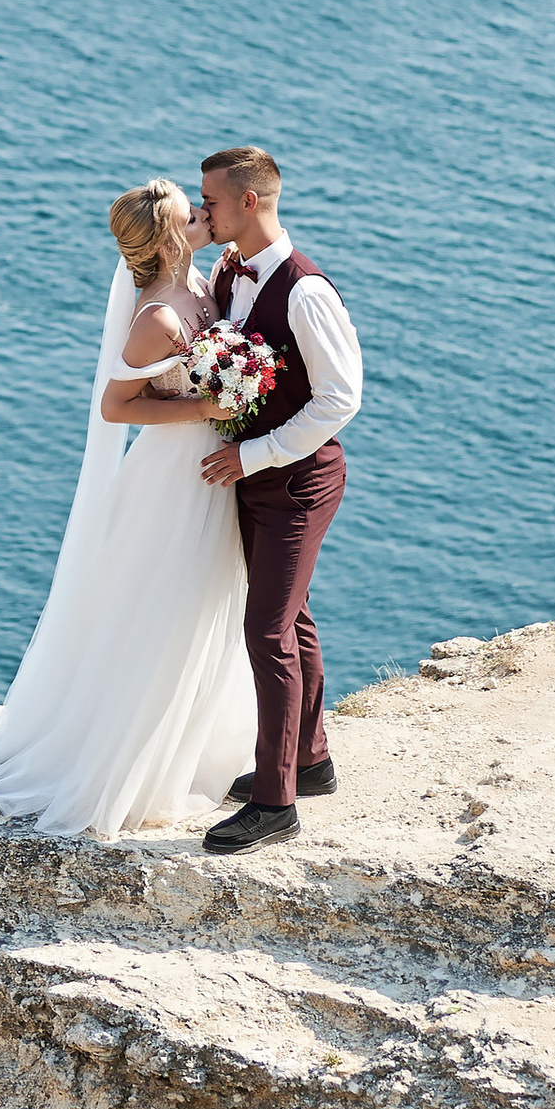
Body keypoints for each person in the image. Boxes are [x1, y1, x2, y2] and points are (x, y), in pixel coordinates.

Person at [0, 180, 255, 837]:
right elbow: (117, 406)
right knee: (162, 612)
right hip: (172, 480)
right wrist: (206, 406)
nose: (204, 216)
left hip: (209, 470)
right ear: (170, 238)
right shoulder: (156, 318)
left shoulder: (201, 285)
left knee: (203, 605)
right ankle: (126, 767)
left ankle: (184, 747)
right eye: (190, 214)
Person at [189, 145, 363, 852]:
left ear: (251, 201)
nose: (205, 212)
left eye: (213, 202)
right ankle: (308, 761)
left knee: (266, 632)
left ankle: (275, 804)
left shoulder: (304, 290)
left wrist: (254, 454)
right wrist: (195, 244)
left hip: (296, 481)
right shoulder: (230, 267)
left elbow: (339, 400)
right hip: (257, 476)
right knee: (292, 619)